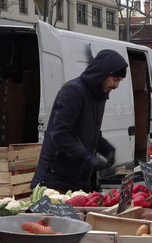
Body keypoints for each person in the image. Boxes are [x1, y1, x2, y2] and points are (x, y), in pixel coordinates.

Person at [30, 49, 128, 193]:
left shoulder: (99, 97)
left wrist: (107, 149)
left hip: (79, 180)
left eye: (119, 81)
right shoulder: (73, 91)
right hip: (55, 180)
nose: (116, 86)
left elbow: (91, 133)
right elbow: (60, 135)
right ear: (103, 74)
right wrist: (87, 157)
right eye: (115, 79)